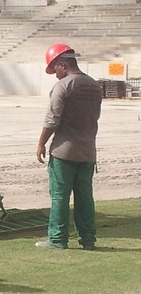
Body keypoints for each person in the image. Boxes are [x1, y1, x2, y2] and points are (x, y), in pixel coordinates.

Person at [35, 43, 103, 250]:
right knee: (85, 197)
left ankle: (57, 240)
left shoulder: (63, 86)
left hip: (64, 152)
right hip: (88, 152)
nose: (55, 74)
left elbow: (52, 119)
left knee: (59, 197)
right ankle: (88, 239)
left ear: (62, 65)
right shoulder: (94, 86)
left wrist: (41, 144)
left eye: (54, 69)